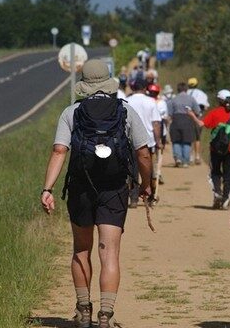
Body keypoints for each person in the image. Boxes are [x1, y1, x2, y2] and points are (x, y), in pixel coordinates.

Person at [40, 59, 153, 328]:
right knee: (109, 252)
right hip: (114, 188)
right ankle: (105, 314)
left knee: (81, 249)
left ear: (84, 84)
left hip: (80, 187)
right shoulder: (125, 111)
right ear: (108, 81)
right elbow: (143, 152)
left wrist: (48, 188)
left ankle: (83, 310)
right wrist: (145, 183)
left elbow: (59, 151)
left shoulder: (72, 112)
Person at [189, 89, 230, 209]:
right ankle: (225, 200)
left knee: (215, 172)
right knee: (228, 174)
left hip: (215, 149)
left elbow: (201, 124)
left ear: (219, 100)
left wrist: (192, 115)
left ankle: (217, 192)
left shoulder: (214, 113)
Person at [126, 75, 163, 207]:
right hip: (148, 140)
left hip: (130, 140)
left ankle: (134, 198)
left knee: (133, 170)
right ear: (145, 88)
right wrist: (158, 141)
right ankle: (150, 196)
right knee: (149, 168)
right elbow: (156, 124)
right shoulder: (151, 101)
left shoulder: (126, 101)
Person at [167, 82, 200, 167]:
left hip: (176, 121)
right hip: (188, 121)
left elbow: (169, 114)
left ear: (178, 90)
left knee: (176, 141)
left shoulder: (173, 100)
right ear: (186, 89)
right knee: (186, 141)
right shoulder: (191, 99)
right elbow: (197, 111)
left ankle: (178, 158)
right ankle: (185, 161)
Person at [147, 82, 169, 185]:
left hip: (152, 130)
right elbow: (164, 118)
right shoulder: (161, 103)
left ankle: (155, 173)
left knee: (153, 154)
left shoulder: (148, 101)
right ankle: (156, 173)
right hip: (158, 130)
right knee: (157, 154)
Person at [187, 77, 210, 165]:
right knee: (197, 137)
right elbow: (206, 106)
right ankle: (197, 156)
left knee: (189, 137)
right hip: (199, 117)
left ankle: (190, 156)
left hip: (188, 117)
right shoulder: (202, 94)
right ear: (197, 84)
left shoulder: (186, 93)